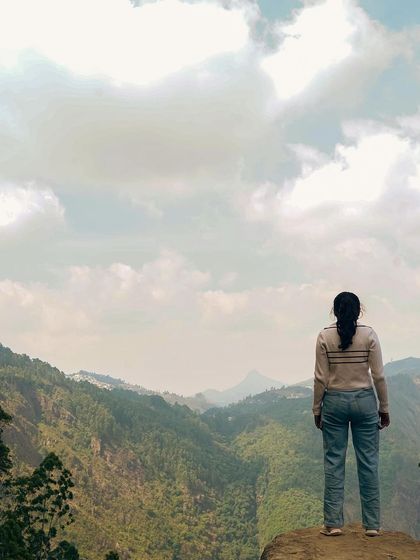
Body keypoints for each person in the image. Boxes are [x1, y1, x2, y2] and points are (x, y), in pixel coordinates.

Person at [312, 291, 390, 538]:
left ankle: (333, 524)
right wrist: (384, 407)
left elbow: (320, 378)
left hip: (334, 401)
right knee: (369, 462)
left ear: (335, 312)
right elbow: (378, 375)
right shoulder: (369, 335)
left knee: (334, 462)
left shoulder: (324, 336)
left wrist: (317, 409)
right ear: (359, 311)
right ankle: (372, 525)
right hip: (365, 401)